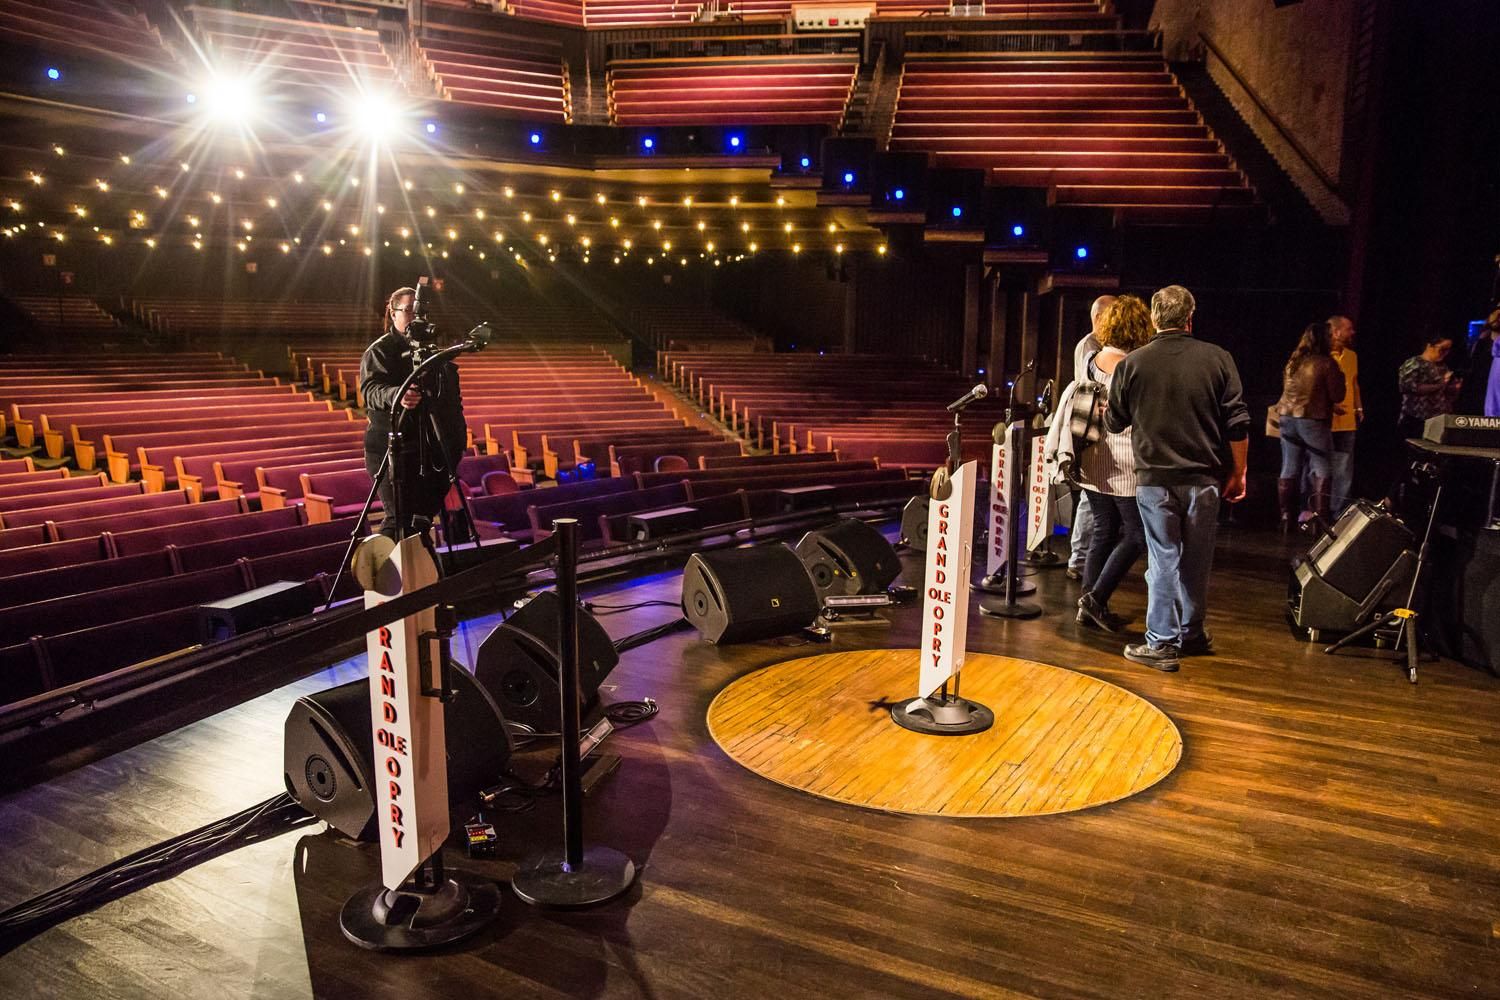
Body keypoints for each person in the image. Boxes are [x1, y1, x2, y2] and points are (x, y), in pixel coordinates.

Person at [1105, 285, 1250, 672]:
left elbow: (1114, 421)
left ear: (1155, 318)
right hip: (1204, 479)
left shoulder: (1132, 364)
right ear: (1190, 317)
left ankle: (1162, 643)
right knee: (1197, 560)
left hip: (1154, 478)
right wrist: (1239, 472)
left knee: (1163, 557)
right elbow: (1238, 423)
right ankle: (1193, 633)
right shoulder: (1218, 358)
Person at [360, 286, 467, 540]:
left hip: (429, 449)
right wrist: (398, 394)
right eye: (407, 310)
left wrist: (456, 442)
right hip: (392, 447)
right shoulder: (379, 351)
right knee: (399, 518)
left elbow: (450, 399)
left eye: (419, 311)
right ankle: (382, 573)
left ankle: (422, 572)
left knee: (421, 518)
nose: (414, 316)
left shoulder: (432, 354)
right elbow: (371, 391)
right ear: (393, 313)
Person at [1074, 295, 1152, 633]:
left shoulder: (1091, 358)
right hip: (1124, 461)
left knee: (1104, 531)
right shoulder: (1135, 367)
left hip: (1092, 457)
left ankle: (1088, 604)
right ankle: (1095, 599)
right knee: (1138, 536)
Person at [1275, 321, 1346, 529]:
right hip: (1312, 420)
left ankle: (1286, 517)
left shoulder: (1293, 362)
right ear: (1324, 339)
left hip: (1287, 419)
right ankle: (1321, 519)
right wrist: (1340, 375)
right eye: (1331, 336)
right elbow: (1337, 394)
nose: (1334, 339)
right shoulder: (1326, 363)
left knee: (1289, 467)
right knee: (1322, 468)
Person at [1067, 294, 1117, 580]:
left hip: (1102, 429)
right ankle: (1078, 558)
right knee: (1090, 496)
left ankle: (1084, 557)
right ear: (1098, 317)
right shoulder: (1090, 346)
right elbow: (1090, 389)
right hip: (1094, 429)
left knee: (1093, 498)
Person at [1326, 315, 1362, 514]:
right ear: (1337, 331)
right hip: (1324, 421)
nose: (1352, 332)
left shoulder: (1351, 355)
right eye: (1349, 329)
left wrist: (1358, 407)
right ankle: (1313, 508)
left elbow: (1354, 383)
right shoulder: (1322, 356)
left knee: (1344, 468)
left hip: (1347, 421)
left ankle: (1337, 511)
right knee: (1319, 466)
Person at [1397, 335, 1460, 440]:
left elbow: (1445, 393)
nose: (1445, 353)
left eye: (1448, 350)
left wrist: (1454, 388)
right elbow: (1409, 387)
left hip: (1438, 421)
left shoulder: (1442, 366)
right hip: (1416, 419)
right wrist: (1440, 385)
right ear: (1430, 346)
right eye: (1442, 349)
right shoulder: (1413, 363)